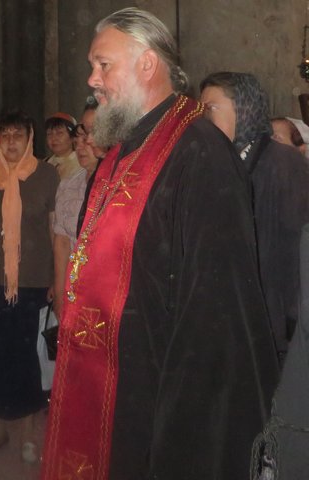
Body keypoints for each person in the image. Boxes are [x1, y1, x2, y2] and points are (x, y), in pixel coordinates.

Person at [42, 9, 279, 480]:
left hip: (160, 398)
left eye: (103, 65)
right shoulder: (123, 152)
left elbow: (214, 314)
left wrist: (179, 427)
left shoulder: (200, 152)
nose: (92, 79)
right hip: (117, 384)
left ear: (147, 64)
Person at [0, 111, 59, 463]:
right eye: (5, 135)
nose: (12, 142)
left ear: (30, 138)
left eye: (18, 135)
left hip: (32, 281)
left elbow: (55, 232)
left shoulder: (47, 176)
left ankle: (29, 434)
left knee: (27, 357)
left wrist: (57, 276)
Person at [200, 72, 309, 361]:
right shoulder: (217, 163)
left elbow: (295, 249)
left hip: (273, 328)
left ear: (244, 109)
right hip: (232, 321)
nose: (203, 119)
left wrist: (290, 323)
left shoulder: (283, 163)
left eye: (211, 108)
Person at [52, 103, 107, 319]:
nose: (81, 148)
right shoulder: (68, 185)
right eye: (76, 143)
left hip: (102, 286)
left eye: (86, 141)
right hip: (73, 283)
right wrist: (59, 293)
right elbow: (61, 242)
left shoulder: (116, 185)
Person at [44, 112, 81, 180]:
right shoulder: (45, 164)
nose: (54, 138)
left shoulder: (81, 164)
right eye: (49, 134)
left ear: (72, 137)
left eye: (59, 133)